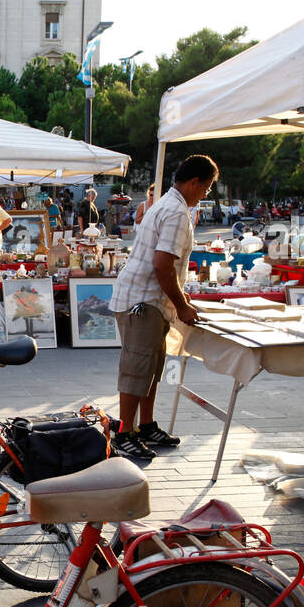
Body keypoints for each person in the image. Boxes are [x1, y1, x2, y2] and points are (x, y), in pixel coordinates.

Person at [108, 154, 218, 461]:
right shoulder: (175, 212)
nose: (206, 194)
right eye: (207, 187)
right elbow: (162, 265)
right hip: (141, 301)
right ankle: (125, 433)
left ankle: (145, 425)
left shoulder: (170, 206)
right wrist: (182, 305)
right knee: (137, 368)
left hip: (149, 302)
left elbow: (165, 266)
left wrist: (178, 301)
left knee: (152, 367)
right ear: (194, 182)